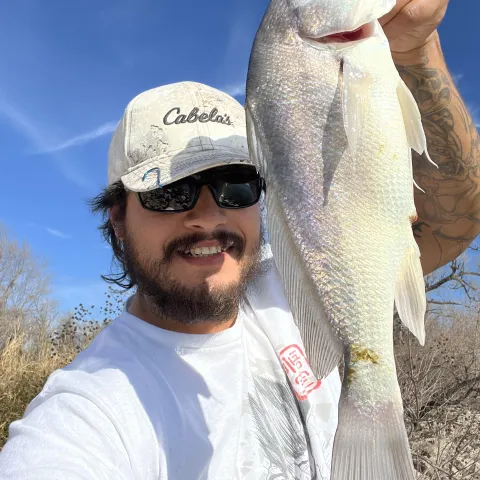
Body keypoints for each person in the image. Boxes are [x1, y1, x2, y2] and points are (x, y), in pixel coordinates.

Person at [1, 0, 478, 478]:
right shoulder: (87, 415)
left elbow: (459, 218)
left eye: (236, 185)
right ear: (118, 220)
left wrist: (417, 49)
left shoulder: (299, 283)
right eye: (169, 192)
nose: (207, 215)